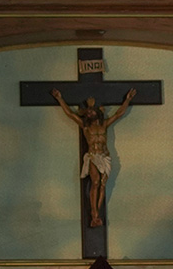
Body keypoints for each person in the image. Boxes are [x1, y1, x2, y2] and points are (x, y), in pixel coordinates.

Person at [52, 88, 136, 227]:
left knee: (103, 184)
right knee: (95, 183)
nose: (89, 113)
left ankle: (97, 213)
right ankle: (94, 213)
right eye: (88, 112)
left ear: (98, 113)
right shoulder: (85, 127)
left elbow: (119, 114)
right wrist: (60, 98)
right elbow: (70, 114)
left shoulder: (104, 124)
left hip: (105, 156)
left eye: (92, 111)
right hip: (93, 156)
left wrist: (127, 99)